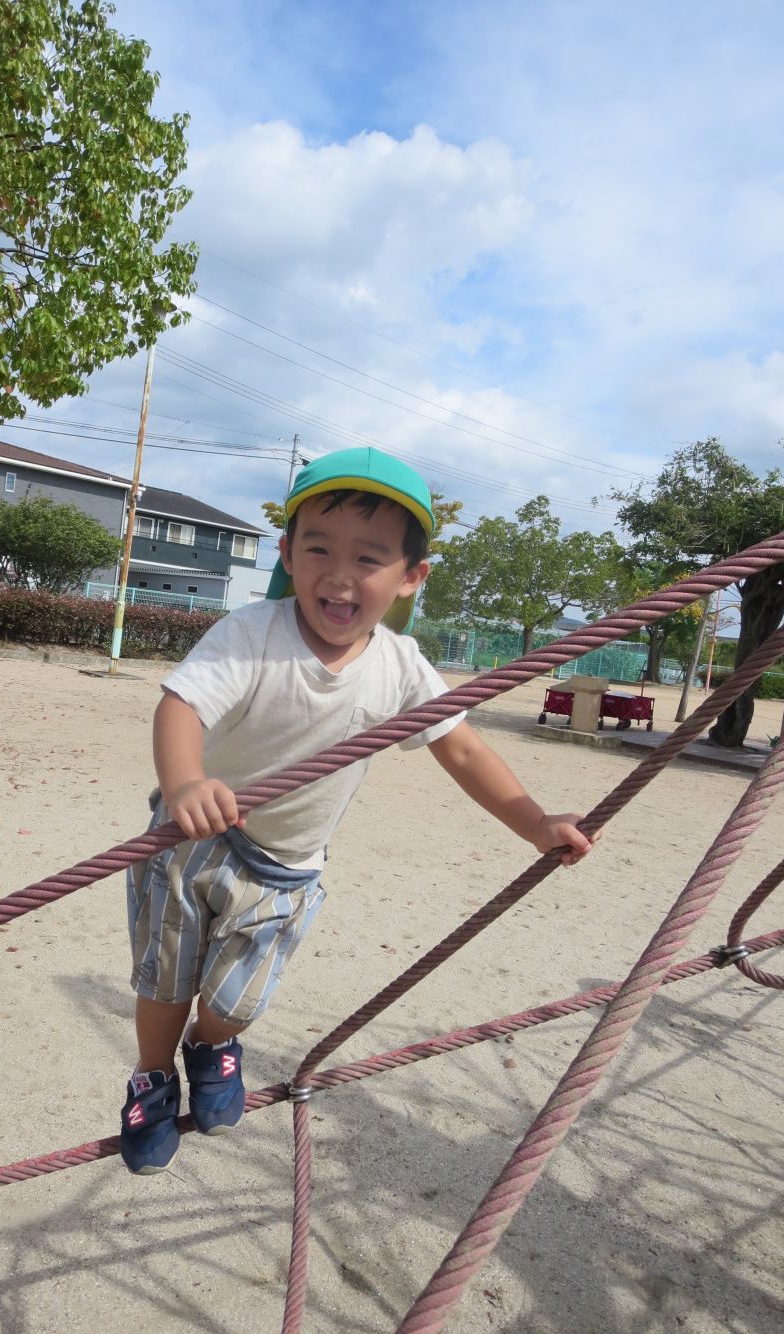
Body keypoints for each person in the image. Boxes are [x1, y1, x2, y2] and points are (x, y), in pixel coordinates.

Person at [121, 446, 597, 1173]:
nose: (339, 574)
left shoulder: (402, 668)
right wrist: (185, 782)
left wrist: (536, 823)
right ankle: (152, 1077)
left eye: (369, 559)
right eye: (318, 548)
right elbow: (181, 707)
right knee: (165, 976)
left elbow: (464, 750)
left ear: (411, 579)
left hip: (286, 864)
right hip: (195, 835)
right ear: (287, 553)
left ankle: (212, 1045)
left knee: (235, 1000)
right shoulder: (252, 633)